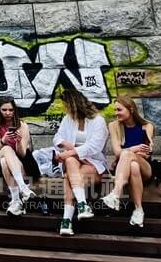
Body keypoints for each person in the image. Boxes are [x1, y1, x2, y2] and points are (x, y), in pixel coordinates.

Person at [54, 89, 108, 236]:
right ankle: (82, 205)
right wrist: (69, 148)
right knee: (71, 161)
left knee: (69, 178)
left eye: (66, 105)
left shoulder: (98, 121)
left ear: (74, 104)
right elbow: (57, 138)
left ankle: (66, 221)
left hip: (93, 163)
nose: (65, 109)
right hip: (75, 162)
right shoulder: (68, 119)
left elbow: (94, 147)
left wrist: (68, 152)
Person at [102, 95, 156, 228]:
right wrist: (135, 149)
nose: (116, 113)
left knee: (128, 155)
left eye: (119, 110)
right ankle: (138, 210)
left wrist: (130, 151)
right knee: (133, 166)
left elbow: (146, 153)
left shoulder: (146, 126)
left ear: (131, 109)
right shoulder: (114, 126)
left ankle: (115, 193)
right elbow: (116, 152)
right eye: (115, 110)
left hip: (146, 168)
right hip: (127, 167)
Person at [0, 95, 38, 215]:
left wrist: (19, 142)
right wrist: (4, 140)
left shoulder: (23, 126)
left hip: (23, 161)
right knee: (5, 149)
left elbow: (22, 153)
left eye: (10, 110)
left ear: (15, 110)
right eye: (4, 110)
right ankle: (23, 188)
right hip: (1, 154)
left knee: (5, 161)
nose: (7, 113)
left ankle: (16, 200)